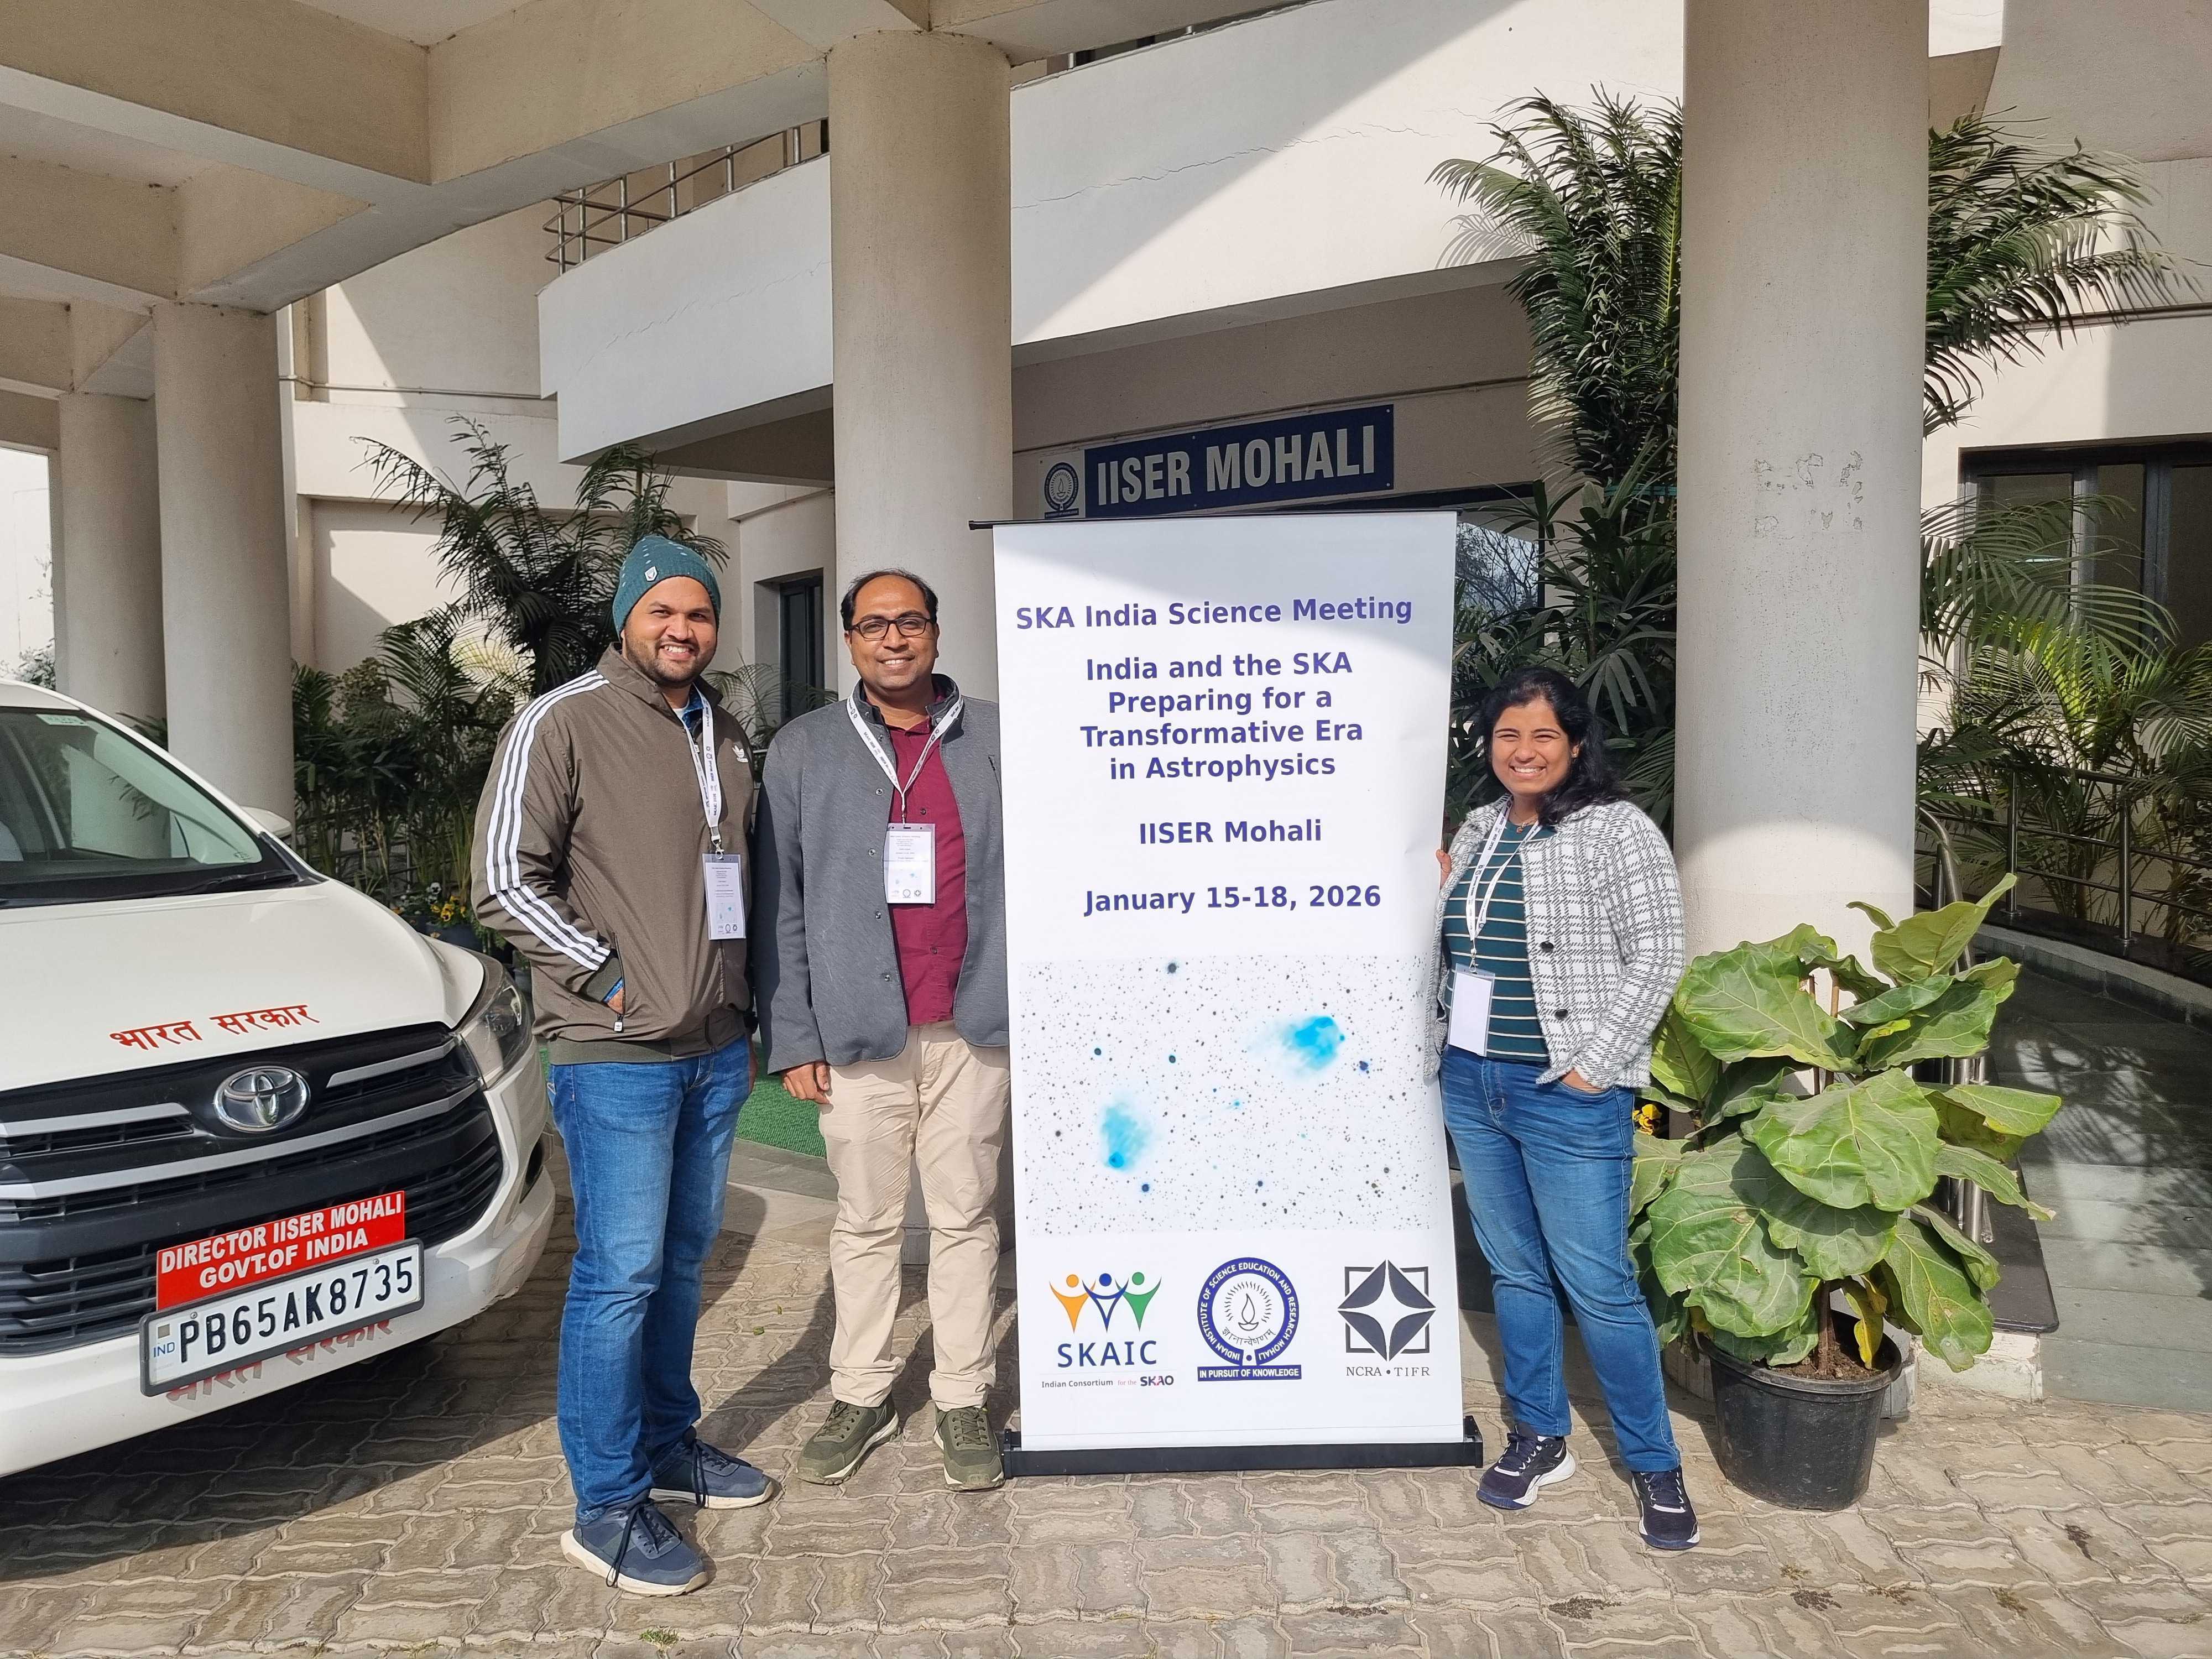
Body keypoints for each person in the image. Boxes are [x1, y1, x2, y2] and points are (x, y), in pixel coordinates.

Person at [472, 534, 773, 1597]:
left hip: (713, 1049)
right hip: (617, 1056)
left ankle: (667, 1444)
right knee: (619, 1274)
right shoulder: (562, 720)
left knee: (681, 1262)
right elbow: (504, 879)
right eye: (663, 613)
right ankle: (606, 1504)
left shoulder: (724, 732)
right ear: (626, 619)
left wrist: (742, 1008)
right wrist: (611, 982)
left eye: (700, 614)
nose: (683, 630)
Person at [752, 568, 1009, 1493]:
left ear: (936, 632)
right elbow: (779, 899)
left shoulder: (997, 738)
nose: (893, 639)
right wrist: (794, 1036)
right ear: (850, 641)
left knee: (965, 1217)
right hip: (857, 1031)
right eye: (873, 625)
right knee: (864, 1222)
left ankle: (963, 1394)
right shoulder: (805, 748)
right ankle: (860, 1393)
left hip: (973, 1029)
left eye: (909, 622)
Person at [1427, 665, 1696, 1551]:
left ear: (1576, 745)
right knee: (1515, 1271)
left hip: (1565, 1093)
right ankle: (1541, 1434)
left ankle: (1654, 1464)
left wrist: (1594, 1066)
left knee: (1600, 1284)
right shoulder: (1478, 829)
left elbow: (1659, 952)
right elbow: (1450, 947)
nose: (1524, 751)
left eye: (1543, 735)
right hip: (1476, 1082)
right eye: (1508, 735)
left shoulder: (1615, 830)